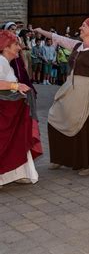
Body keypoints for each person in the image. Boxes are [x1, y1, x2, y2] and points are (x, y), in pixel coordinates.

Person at [34, 17, 89, 176]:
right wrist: (41, 31)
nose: (80, 27)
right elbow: (59, 38)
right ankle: (60, 157)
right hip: (72, 88)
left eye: (84, 26)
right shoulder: (77, 45)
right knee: (56, 117)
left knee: (86, 126)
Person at [0, 30, 42, 187]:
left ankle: (17, 174)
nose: (20, 47)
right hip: (4, 112)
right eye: (16, 44)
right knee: (5, 142)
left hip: (11, 112)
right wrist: (16, 85)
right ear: (6, 46)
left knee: (16, 141)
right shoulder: (1, 61)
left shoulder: (7, 64)